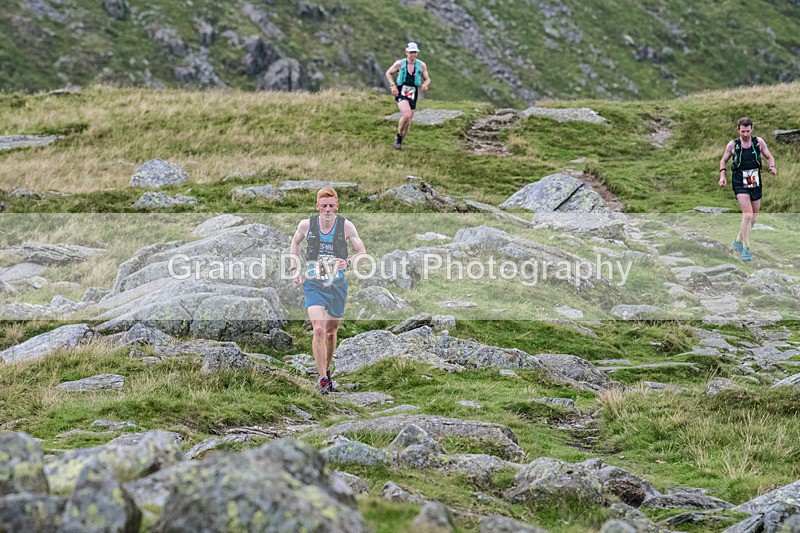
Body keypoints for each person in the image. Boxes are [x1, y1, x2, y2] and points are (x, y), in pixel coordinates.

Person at [290, 188, 366, 394]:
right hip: (313, 283)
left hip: (336, 286)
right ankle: (322, 378)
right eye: (324, 206)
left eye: (331, 205)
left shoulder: (346, 226)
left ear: (337, 206)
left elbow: (362, 252)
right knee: (319, 329)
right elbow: (295, 242)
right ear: (317, 206)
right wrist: (294, 269)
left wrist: (348, 262)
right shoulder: (306, 225)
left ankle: (328, 369)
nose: (328, 210)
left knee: (331, 332)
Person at [718, 117, 776, 261]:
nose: (745, 134)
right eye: (743, 131)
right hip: (739, 182)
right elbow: (724, 160)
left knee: (753, 218)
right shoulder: (733, 145)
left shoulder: (758, 142)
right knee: (748, 215)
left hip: (755, 181)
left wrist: (772, 166)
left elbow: (769, 156)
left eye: (748, 131)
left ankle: (737, 241)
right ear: (738, 130)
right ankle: (746, 248)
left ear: (751, 129)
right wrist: (722, 176)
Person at [385, 42, 431, 150]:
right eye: (411, 52)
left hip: (413, 93)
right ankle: (398, 136)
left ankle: (399, 144)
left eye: (415, 52)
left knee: (408, 122)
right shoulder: (400, 64)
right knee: (406, 114)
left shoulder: (421, 65)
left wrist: (425, 84)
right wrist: (393, 86)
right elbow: (388, 73)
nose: (413, 54)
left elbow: (427, 78)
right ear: (406, 52)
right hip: (401, 91)